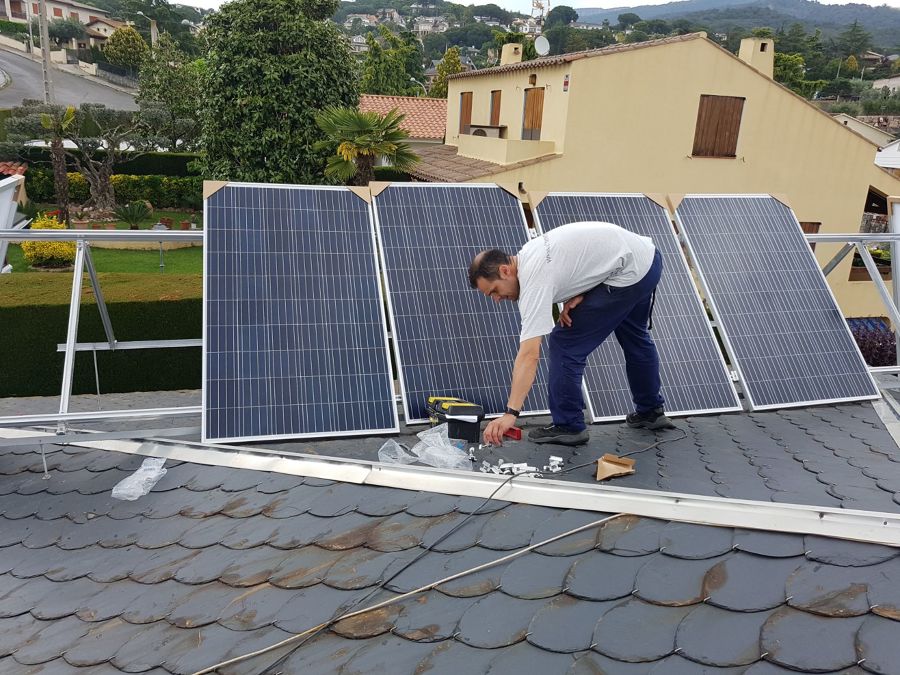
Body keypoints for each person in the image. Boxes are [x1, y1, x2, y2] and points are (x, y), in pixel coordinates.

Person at [468, 221, 673, 447]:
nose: (497, 300)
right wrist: (580, 292)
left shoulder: (533, 279)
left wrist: (511, 413)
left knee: (564, 342)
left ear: (505, 271)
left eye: (494, 291)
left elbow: (529, 355)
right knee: (635, 336)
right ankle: (651, 411)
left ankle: (569, 425)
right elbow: (581, 261)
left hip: (628, 271)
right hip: (647, 259)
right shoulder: (529, 252)